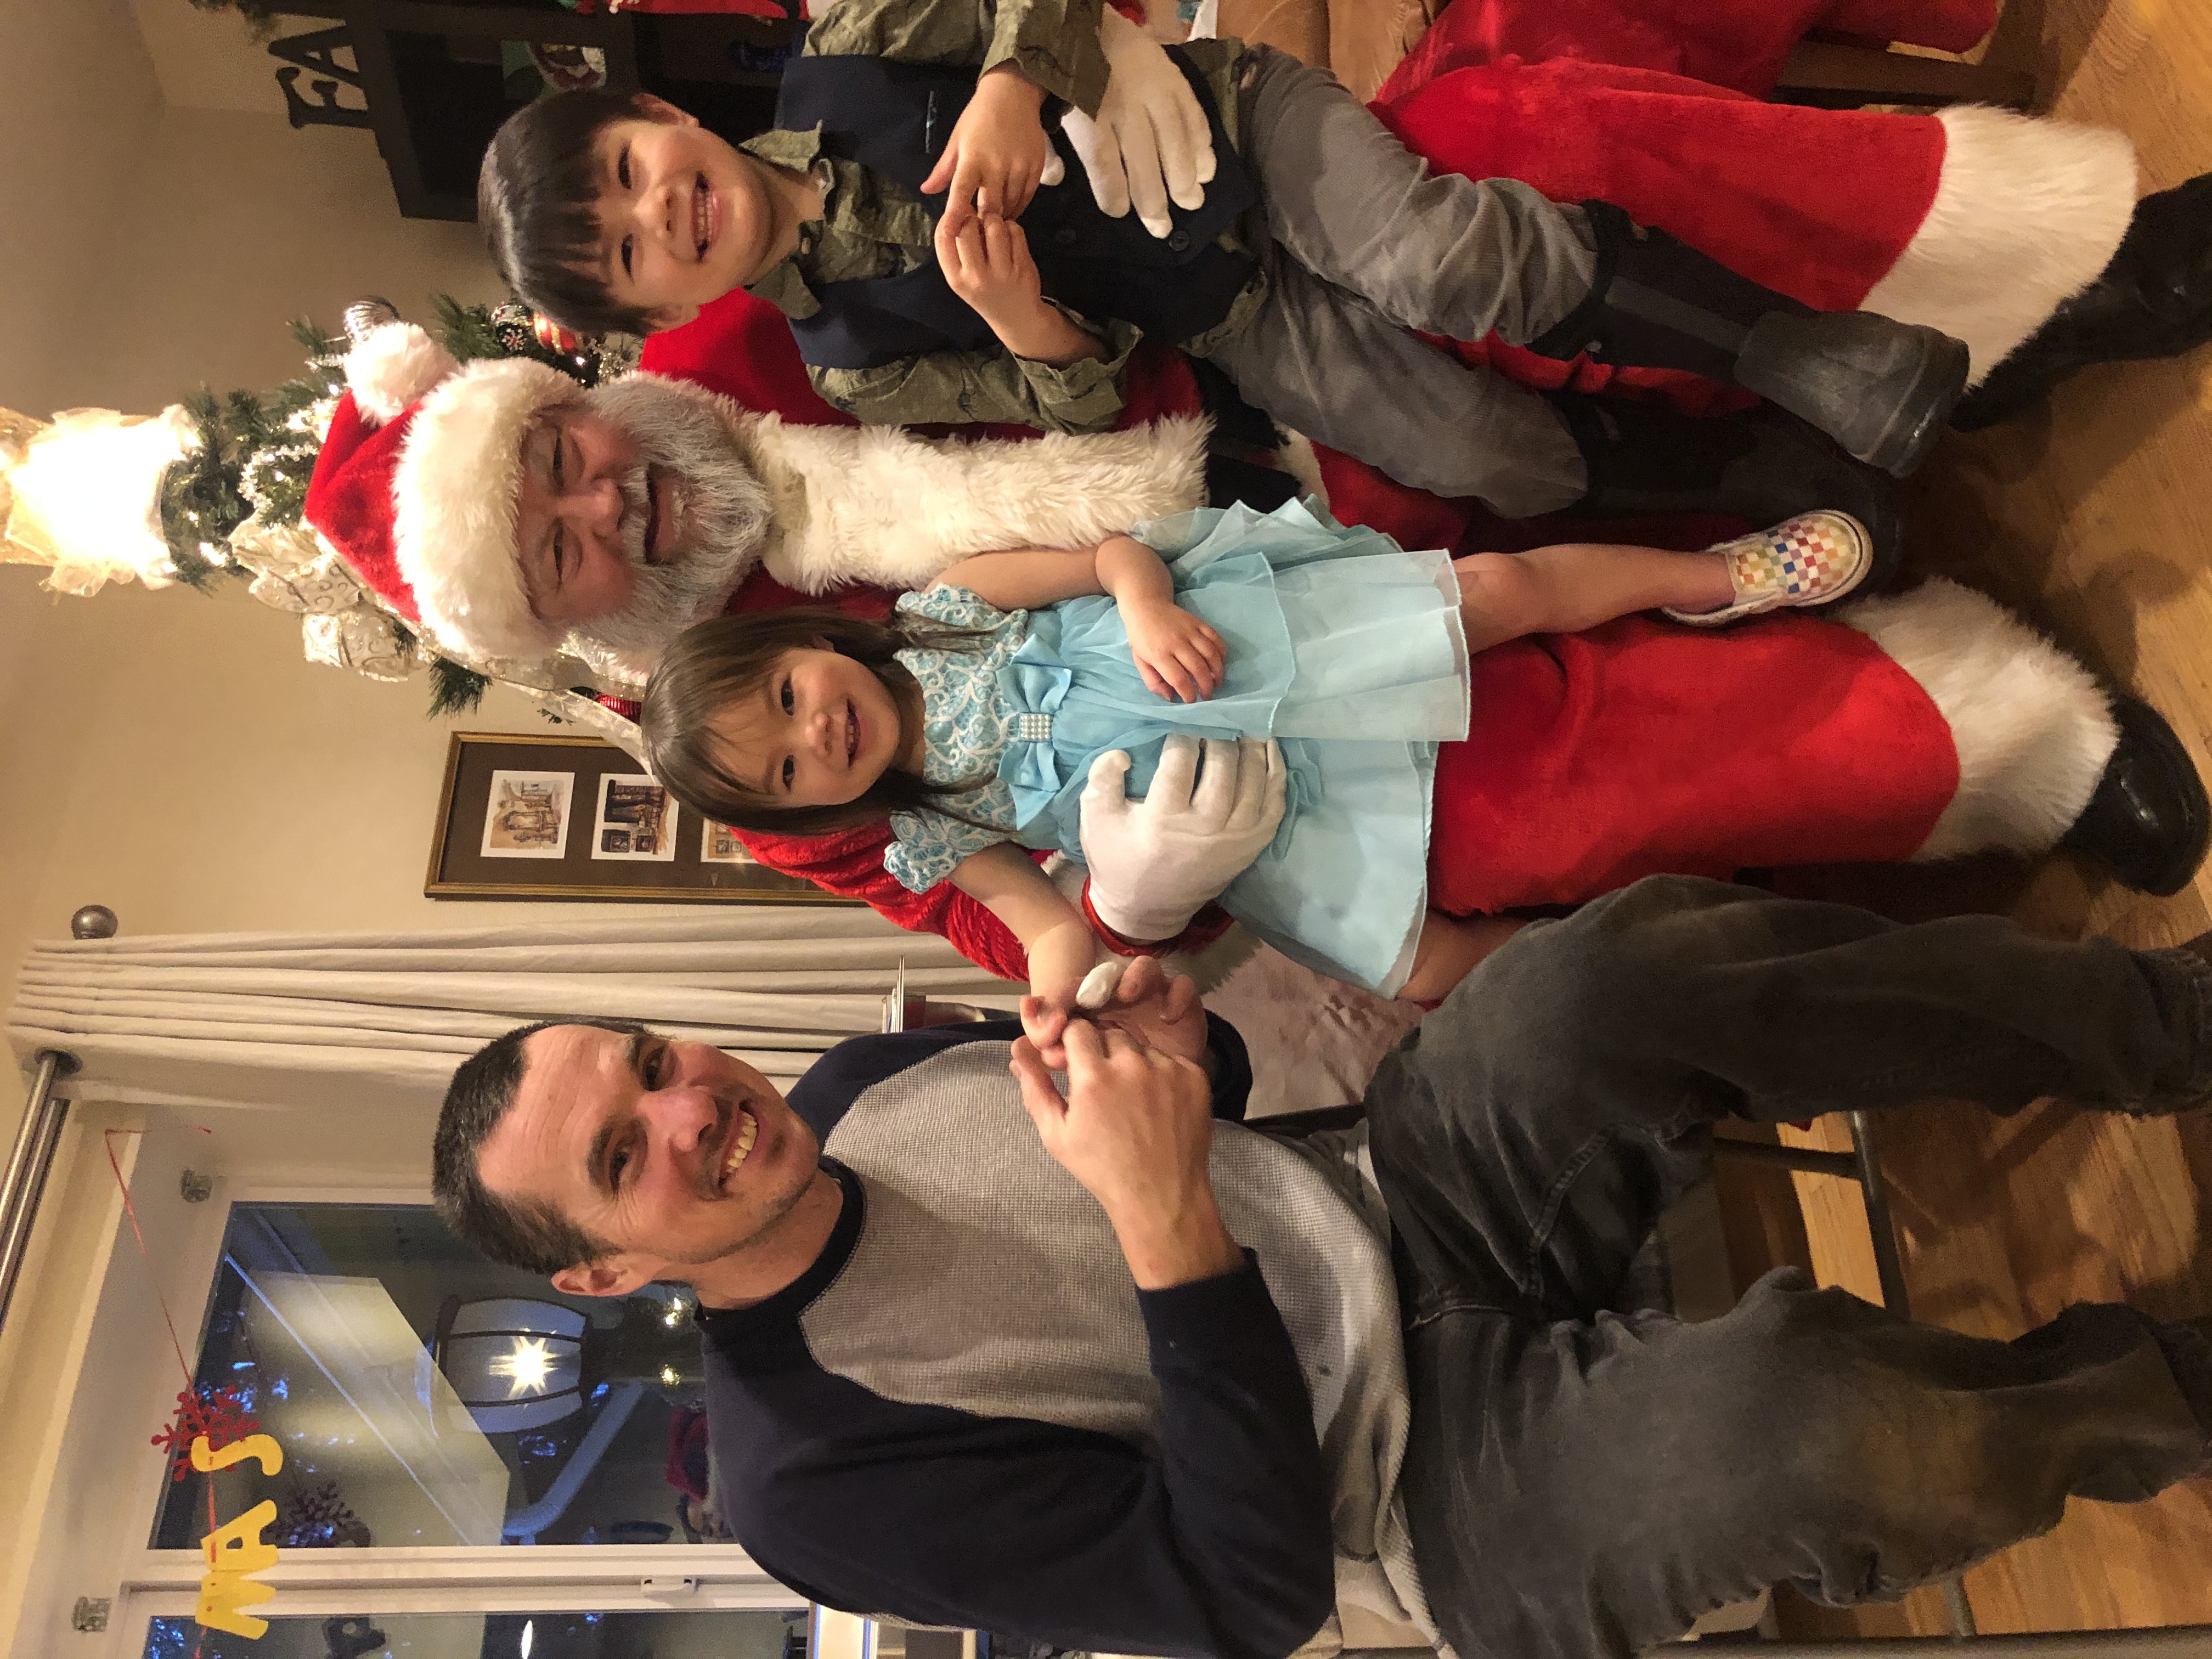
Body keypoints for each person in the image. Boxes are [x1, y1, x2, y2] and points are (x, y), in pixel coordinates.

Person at [430, 878, 2212, 1659]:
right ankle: (2165, 1393)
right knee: (1795, 1423)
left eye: (648, 1063)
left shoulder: (853, 1083)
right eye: (623, 1159)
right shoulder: (804, 1484)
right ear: (605, 1277)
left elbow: (1182, 1115)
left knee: (1613, 978)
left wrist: (1176, 1047)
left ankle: (2161, 1021)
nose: (690, 1110)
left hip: (1403, 1193)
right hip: (1429, 1500)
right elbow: (1252, 1596)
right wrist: (1165, 1230)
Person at [299, 319, 2212, 983]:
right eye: (554, 553)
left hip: (1239, 461)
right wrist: (1116, 921)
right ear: (565, 627)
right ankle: (1988, 736)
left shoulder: (730, 329)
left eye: (560, 460)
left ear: (563, 394)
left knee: (1490, 270)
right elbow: (998, 917)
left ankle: (1944, 350)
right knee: (1534, 834)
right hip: (1266, 746)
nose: (608, 507)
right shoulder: (756, 748)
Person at [477, 0, 1979, 544]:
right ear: (665, 315)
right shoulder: (851, 365)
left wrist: (1010, 81)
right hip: (1230, 314)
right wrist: (1027, 325)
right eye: (630, 253)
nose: (661, 211)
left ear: (660, 114)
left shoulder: (845, 46)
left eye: (631, 169)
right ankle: (1754, 470)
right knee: (1484, 459)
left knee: (1440, 254)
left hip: (1237, 130)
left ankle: (1801, 352)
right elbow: (1080, 412)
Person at [637, 498, 1895, 1005]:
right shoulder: (929, 832)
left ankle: (1710, 576)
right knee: (1420, 971)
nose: (817, 732)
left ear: (805, 640)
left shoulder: (946, 605)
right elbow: (1048, 929)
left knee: (1498, 590)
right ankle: (1682, 944)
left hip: (1252, 652)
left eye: (790, 696)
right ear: (804, 818)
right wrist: (1058, 1004)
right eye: (789, 770)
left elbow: (1112, 556)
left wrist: (1143, 605)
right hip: (1252, 814)